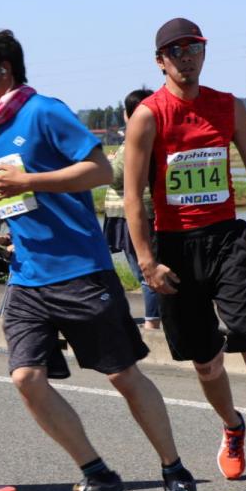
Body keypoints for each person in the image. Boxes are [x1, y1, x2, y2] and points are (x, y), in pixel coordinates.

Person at [0, 27, 198, 491]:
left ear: (3, 71)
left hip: (80, 271)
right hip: (27, 275)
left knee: (122, 376)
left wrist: (28, 180)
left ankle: (175, 473)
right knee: (26, 378)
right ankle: (97, 474)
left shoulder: (44, 111)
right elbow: (8, 190)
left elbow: (99, 172)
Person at [123, 17, 246, 491]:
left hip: (227, 241)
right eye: (176, 51)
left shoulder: (228, 107)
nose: (186, 58)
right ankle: (233, 425)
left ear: (204, 53)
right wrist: (146, 261)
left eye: (194, 49)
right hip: (175, 248)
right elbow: (132, 197)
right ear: (160, 61)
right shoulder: (148, 115)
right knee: (207, 364)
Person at [102, 89, 160, 329]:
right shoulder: (156, 138)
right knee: (149, 268)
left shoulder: (132, 142)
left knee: (145, 272)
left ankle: (152, 322)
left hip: (130, 215)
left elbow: (116, 177)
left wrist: (109, 163)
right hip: (146, 211)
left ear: (128, 115)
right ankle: (158, 318)